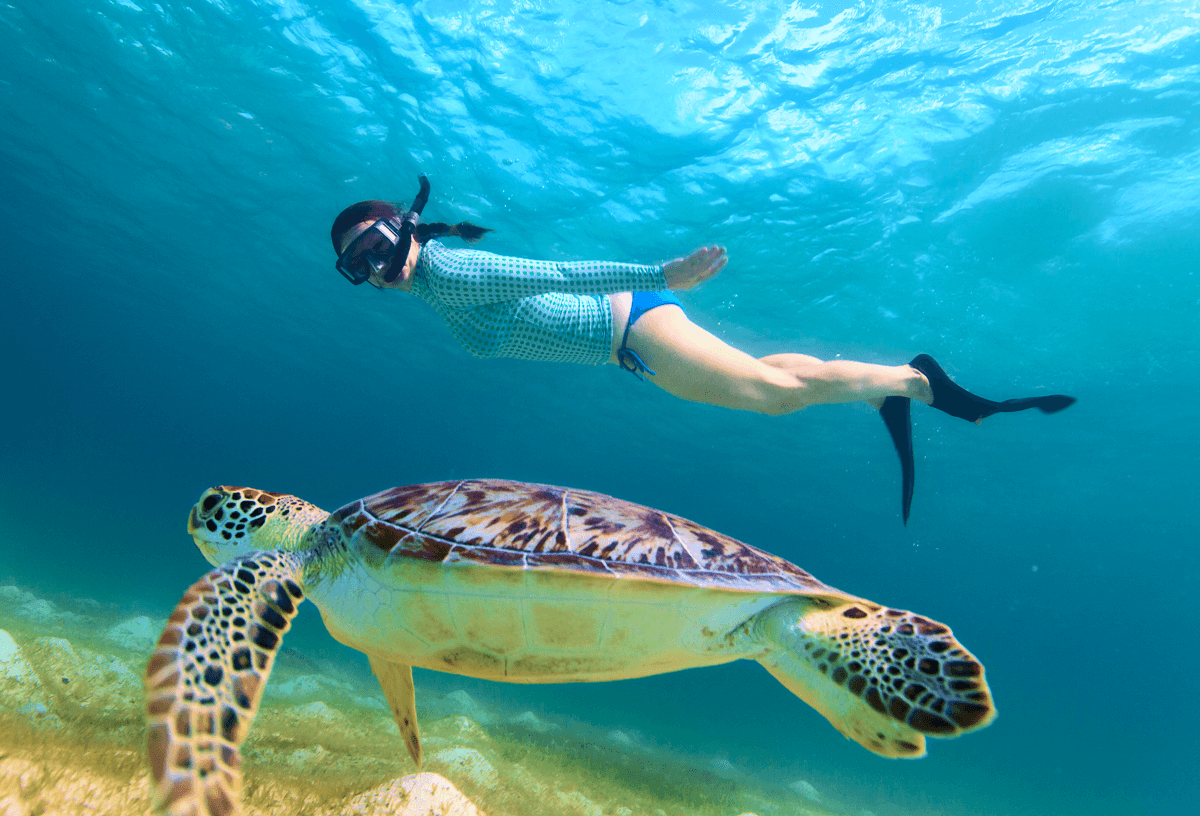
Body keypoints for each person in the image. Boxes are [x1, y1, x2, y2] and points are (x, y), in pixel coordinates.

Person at [331, 188, 1075, 523]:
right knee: (776, 381)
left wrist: (663, 275)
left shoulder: (450, 272)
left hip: (631, 326)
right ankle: (893, 385)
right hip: (627, 340)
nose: (373, 266)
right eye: (354, 265)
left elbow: (554, 276)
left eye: (374, 244)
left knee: (772, 396)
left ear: (404, 227)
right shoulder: (435, 286)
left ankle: (916, 384)